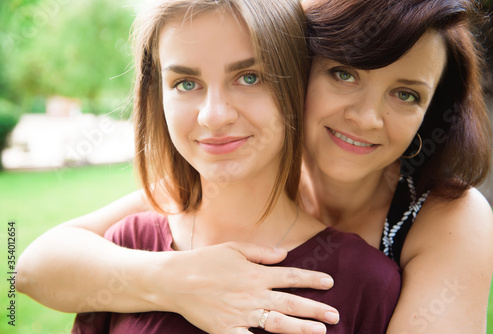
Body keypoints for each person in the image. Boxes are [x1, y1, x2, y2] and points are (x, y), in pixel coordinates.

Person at [16, 0, 493, 333]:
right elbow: (35, 266)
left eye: (406, 94)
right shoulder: (237, 170)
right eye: (343, 74)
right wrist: (177, 280)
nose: (367, 118)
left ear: (430, 112)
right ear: (299, 69)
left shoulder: (444, 216)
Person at [66, 0, 400, 333]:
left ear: (298, 85)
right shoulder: (126, 245)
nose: (213, 115)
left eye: (249, 77)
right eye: (185, 83)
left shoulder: (367, 283)